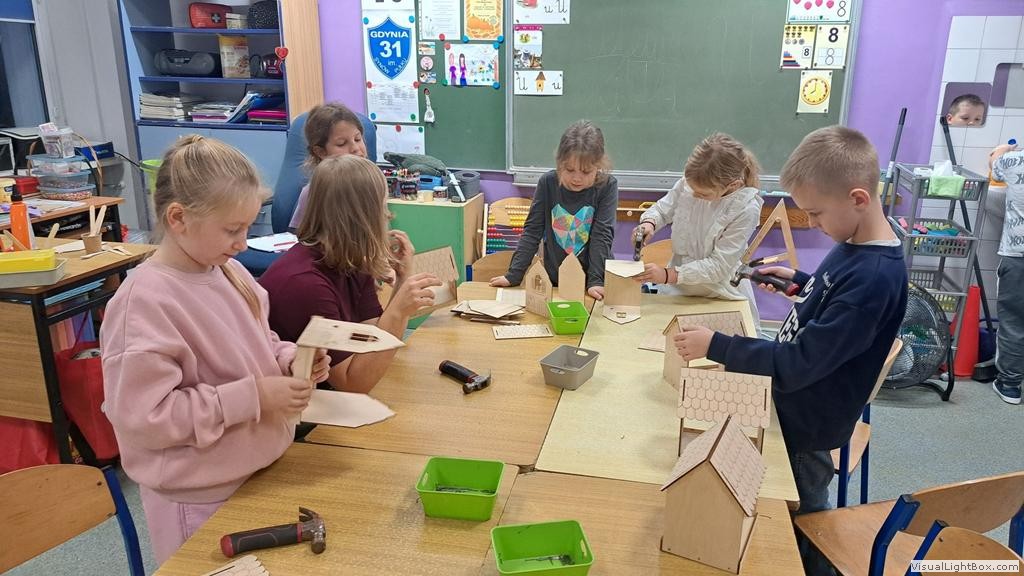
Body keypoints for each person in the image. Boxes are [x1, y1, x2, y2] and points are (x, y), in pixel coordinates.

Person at [673, 126, 908, 575]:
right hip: (795, 405)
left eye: (816, 214)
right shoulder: (856, 243)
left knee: (802, 523)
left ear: (858, 199)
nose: (813, 224)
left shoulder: (873, 278)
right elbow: (832, 303)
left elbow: (798, 364)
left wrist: (718, 345)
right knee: (794, 510)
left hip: (807, 423)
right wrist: (802, 284)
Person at [100, 136, 331, 564]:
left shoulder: (229, 271)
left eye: (247, 227)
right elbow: (145, 419)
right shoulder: (144, 303)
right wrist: (253, 396)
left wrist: (290, 360)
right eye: (231, 229)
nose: (243, 242)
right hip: (198, 498)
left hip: (258, 469)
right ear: (179, 218)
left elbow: (258, 340)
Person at [260, 154, 442, 396]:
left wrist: (401, 282)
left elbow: (369, 340)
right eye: (383, 208)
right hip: (299, 404)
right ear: (362, 218)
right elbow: (352, 382)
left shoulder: (349, 259)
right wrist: (398, 311)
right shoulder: (306, 284)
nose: (388, 216)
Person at [633, 133, 764, 329]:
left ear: (733, 185)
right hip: (678, 288)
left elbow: (718, 267)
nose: (694, 194)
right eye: (692, 188)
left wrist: (668, 275)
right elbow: (663, 209)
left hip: (718, 293)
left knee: (709, 345)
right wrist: (649, 223)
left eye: (703, 194)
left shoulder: (745, 208)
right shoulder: (692, 182)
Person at [490, 120, 618, 300]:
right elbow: (532, 232)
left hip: (593, 283)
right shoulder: (548, 183)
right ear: (560, 162)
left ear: (599, 166)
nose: (577, 178)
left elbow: (602, 236)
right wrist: (514, 275)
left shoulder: (607, 186)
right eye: (570, 170)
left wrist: (596, 280)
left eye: (586, 172)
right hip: (556, 280)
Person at [288, 102, 368, 230]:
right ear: (321, 152)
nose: (355, 148)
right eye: (341, 144)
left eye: (358, 139)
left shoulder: (372, 185)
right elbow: (300, 236)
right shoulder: (314, 192)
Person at [988, 142, 1024, 404]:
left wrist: (1002, 149)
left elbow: (995, 166)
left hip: (1018, 256)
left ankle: (1010, 384)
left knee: (1014, 322)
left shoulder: (1016, 161)